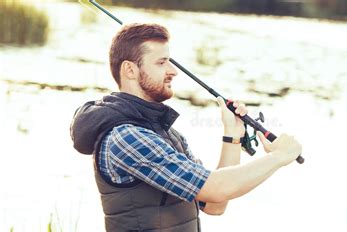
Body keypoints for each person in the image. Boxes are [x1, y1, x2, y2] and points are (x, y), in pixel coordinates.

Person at [70, 23, 302, 232]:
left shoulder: (167, 134)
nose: (173, 71)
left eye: (170, 62)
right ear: (130, 70)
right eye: (161, 62)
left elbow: (214, 204)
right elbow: (216, 188)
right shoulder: (126, 137)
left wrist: (232, 135)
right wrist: (279, 157)